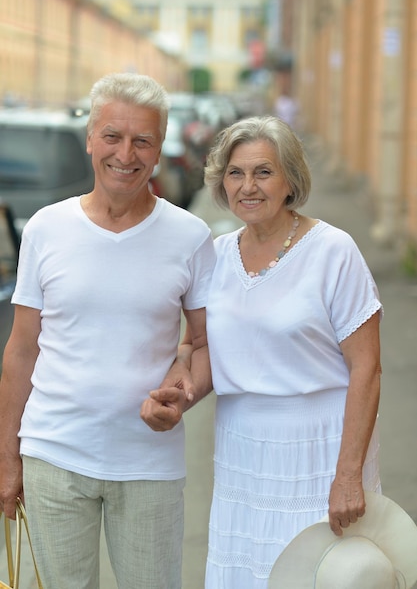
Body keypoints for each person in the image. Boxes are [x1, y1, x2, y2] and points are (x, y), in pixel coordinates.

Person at [142, 115, 383, 588]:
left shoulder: (333, 251)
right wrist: (181, 396)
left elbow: (368, 369)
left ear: (291, 179)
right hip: (244, 454)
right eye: (236, 173)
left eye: (263, 172)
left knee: (323, 576)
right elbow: (203, 348)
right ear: (221, 182)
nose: (248, 186)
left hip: (319, 451)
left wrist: (349, 474)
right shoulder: (215, 255)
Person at [0, 72, 216, 589]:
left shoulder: (190, 236)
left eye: (143, 139)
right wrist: (7, 457)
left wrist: (183, 397)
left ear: (160, 148)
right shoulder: (46, 229)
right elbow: (22, 350)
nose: (127, 153)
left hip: (148, 462)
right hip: (54, 454)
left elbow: (208, 345)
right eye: (113, 137)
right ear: (92, 139)